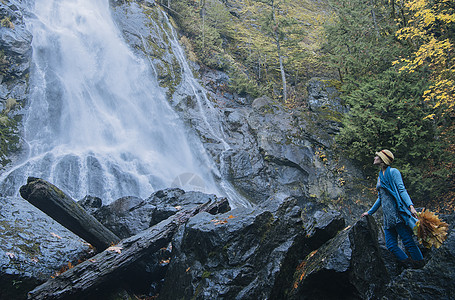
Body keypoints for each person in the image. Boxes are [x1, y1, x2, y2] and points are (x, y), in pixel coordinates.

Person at [361, 149, 424, 267]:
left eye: (377, 157)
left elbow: (401, 190)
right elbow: (380, 198)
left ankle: (419, 264)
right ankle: (408, 264)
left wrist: (411, 207)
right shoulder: (380, 176)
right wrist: (370, 212)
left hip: (397, 214)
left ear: (382, 160)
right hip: (388, 217)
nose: (374, 158)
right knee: (390, 245)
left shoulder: (394, 172)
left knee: (408, 242)